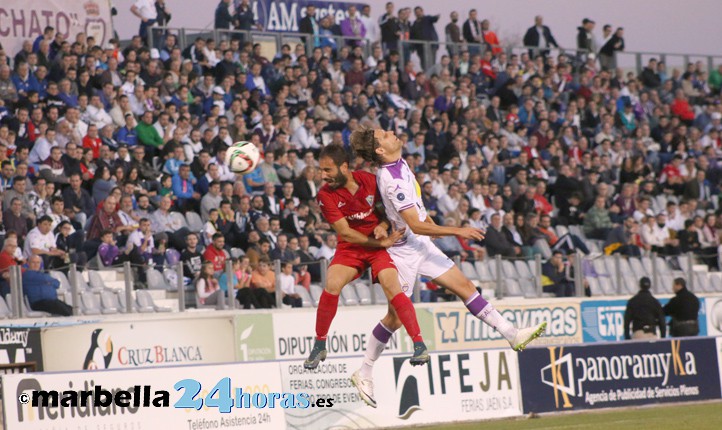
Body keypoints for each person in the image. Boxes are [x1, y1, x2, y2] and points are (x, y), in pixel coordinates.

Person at [350, 128, 546, 407]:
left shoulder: (399, 163)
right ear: (380, 151)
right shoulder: (391, 179)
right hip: (402, 252)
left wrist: (430, 226)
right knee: (394, 318)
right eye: (385, 135)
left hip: (420, 243)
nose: (392, 132)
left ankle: (512, 335)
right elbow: (414, 224)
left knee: (466, 287)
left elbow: (417, 211)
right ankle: (365, 371)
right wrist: (458, 231)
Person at [304, 144, 429, 371]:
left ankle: (419, 344)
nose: (323, 176)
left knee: (394, 288)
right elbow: (345, 232)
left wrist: (382, 227)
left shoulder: (370, 181)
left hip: (378, 247)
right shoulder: (324, 195)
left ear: (344, 167)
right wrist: (380, 241)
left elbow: (387, 214)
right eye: (321, 170)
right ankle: (320, 343)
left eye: (327, 170)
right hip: (351, 248)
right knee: (331, 284)